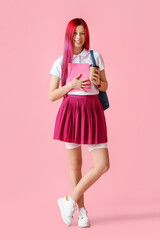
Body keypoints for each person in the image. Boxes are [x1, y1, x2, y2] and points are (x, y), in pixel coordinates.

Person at [49, 18, 110, 228]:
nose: (78, 37)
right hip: (72, 112)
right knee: (75, 166)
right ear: (69, 35)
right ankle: (81, 211)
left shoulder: (96, 56)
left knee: (102, 164)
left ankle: (69, 200)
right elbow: (52, 95)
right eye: (75, 33)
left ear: (86, 35)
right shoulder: (60, 61)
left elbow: (105, 86)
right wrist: (71, 84)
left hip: (92, 110)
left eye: (82, 33)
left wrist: (97, 81)